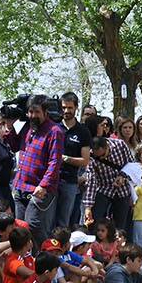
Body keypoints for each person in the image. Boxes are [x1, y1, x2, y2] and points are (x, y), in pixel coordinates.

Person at [9, 95, 64, 250]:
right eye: (30, 112)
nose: (33, 116)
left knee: (33, 224)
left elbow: (54, 162)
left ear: (45, 112)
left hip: (40, 189)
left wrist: (43, 185)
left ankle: (48, 255)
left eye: (36, 112)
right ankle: (24, 261)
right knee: (20, 228)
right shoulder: (28, 127)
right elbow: (14, 146)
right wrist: (9, 127)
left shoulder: (55, 131)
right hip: (20, 186)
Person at [57, 91, 91, 228]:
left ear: (76, 107)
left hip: (69, 181)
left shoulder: (83, 131)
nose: (66, 111)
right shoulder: (54, 127)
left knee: (63, 221)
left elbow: (84, 160)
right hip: (50, 180)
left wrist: (64, 158)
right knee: (46, 220)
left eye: (70, 108)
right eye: (64, 107)